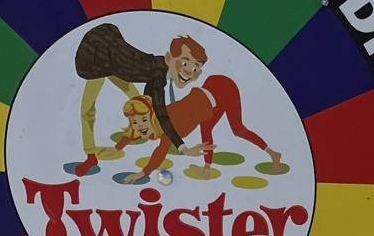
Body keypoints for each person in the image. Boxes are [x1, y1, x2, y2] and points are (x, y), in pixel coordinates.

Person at [74, 26, 207, 176]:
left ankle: (121, 144)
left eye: (195, 68)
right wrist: (183, 148)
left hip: (116, 64)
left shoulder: (159, 70)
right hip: (99, 53)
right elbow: (162, 115)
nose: (189, 71)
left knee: (141, 107)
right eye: (184, 63)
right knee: (87, 110)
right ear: (169, 59)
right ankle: (90, 156)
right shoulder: (158, 76)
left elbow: (154, 110)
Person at [111, 78, 284, 184]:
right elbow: (135, 131)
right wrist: (117, 148)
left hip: (224, 89)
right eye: (135, 122)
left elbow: (160, 151)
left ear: (152, 115)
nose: (140, 126)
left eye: (143, 120)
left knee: (237, 130)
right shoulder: (154, 120)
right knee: (206, 127)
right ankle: (206, 170)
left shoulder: (168, 126)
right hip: (209, 93)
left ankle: (273, 154)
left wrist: (142, 173)